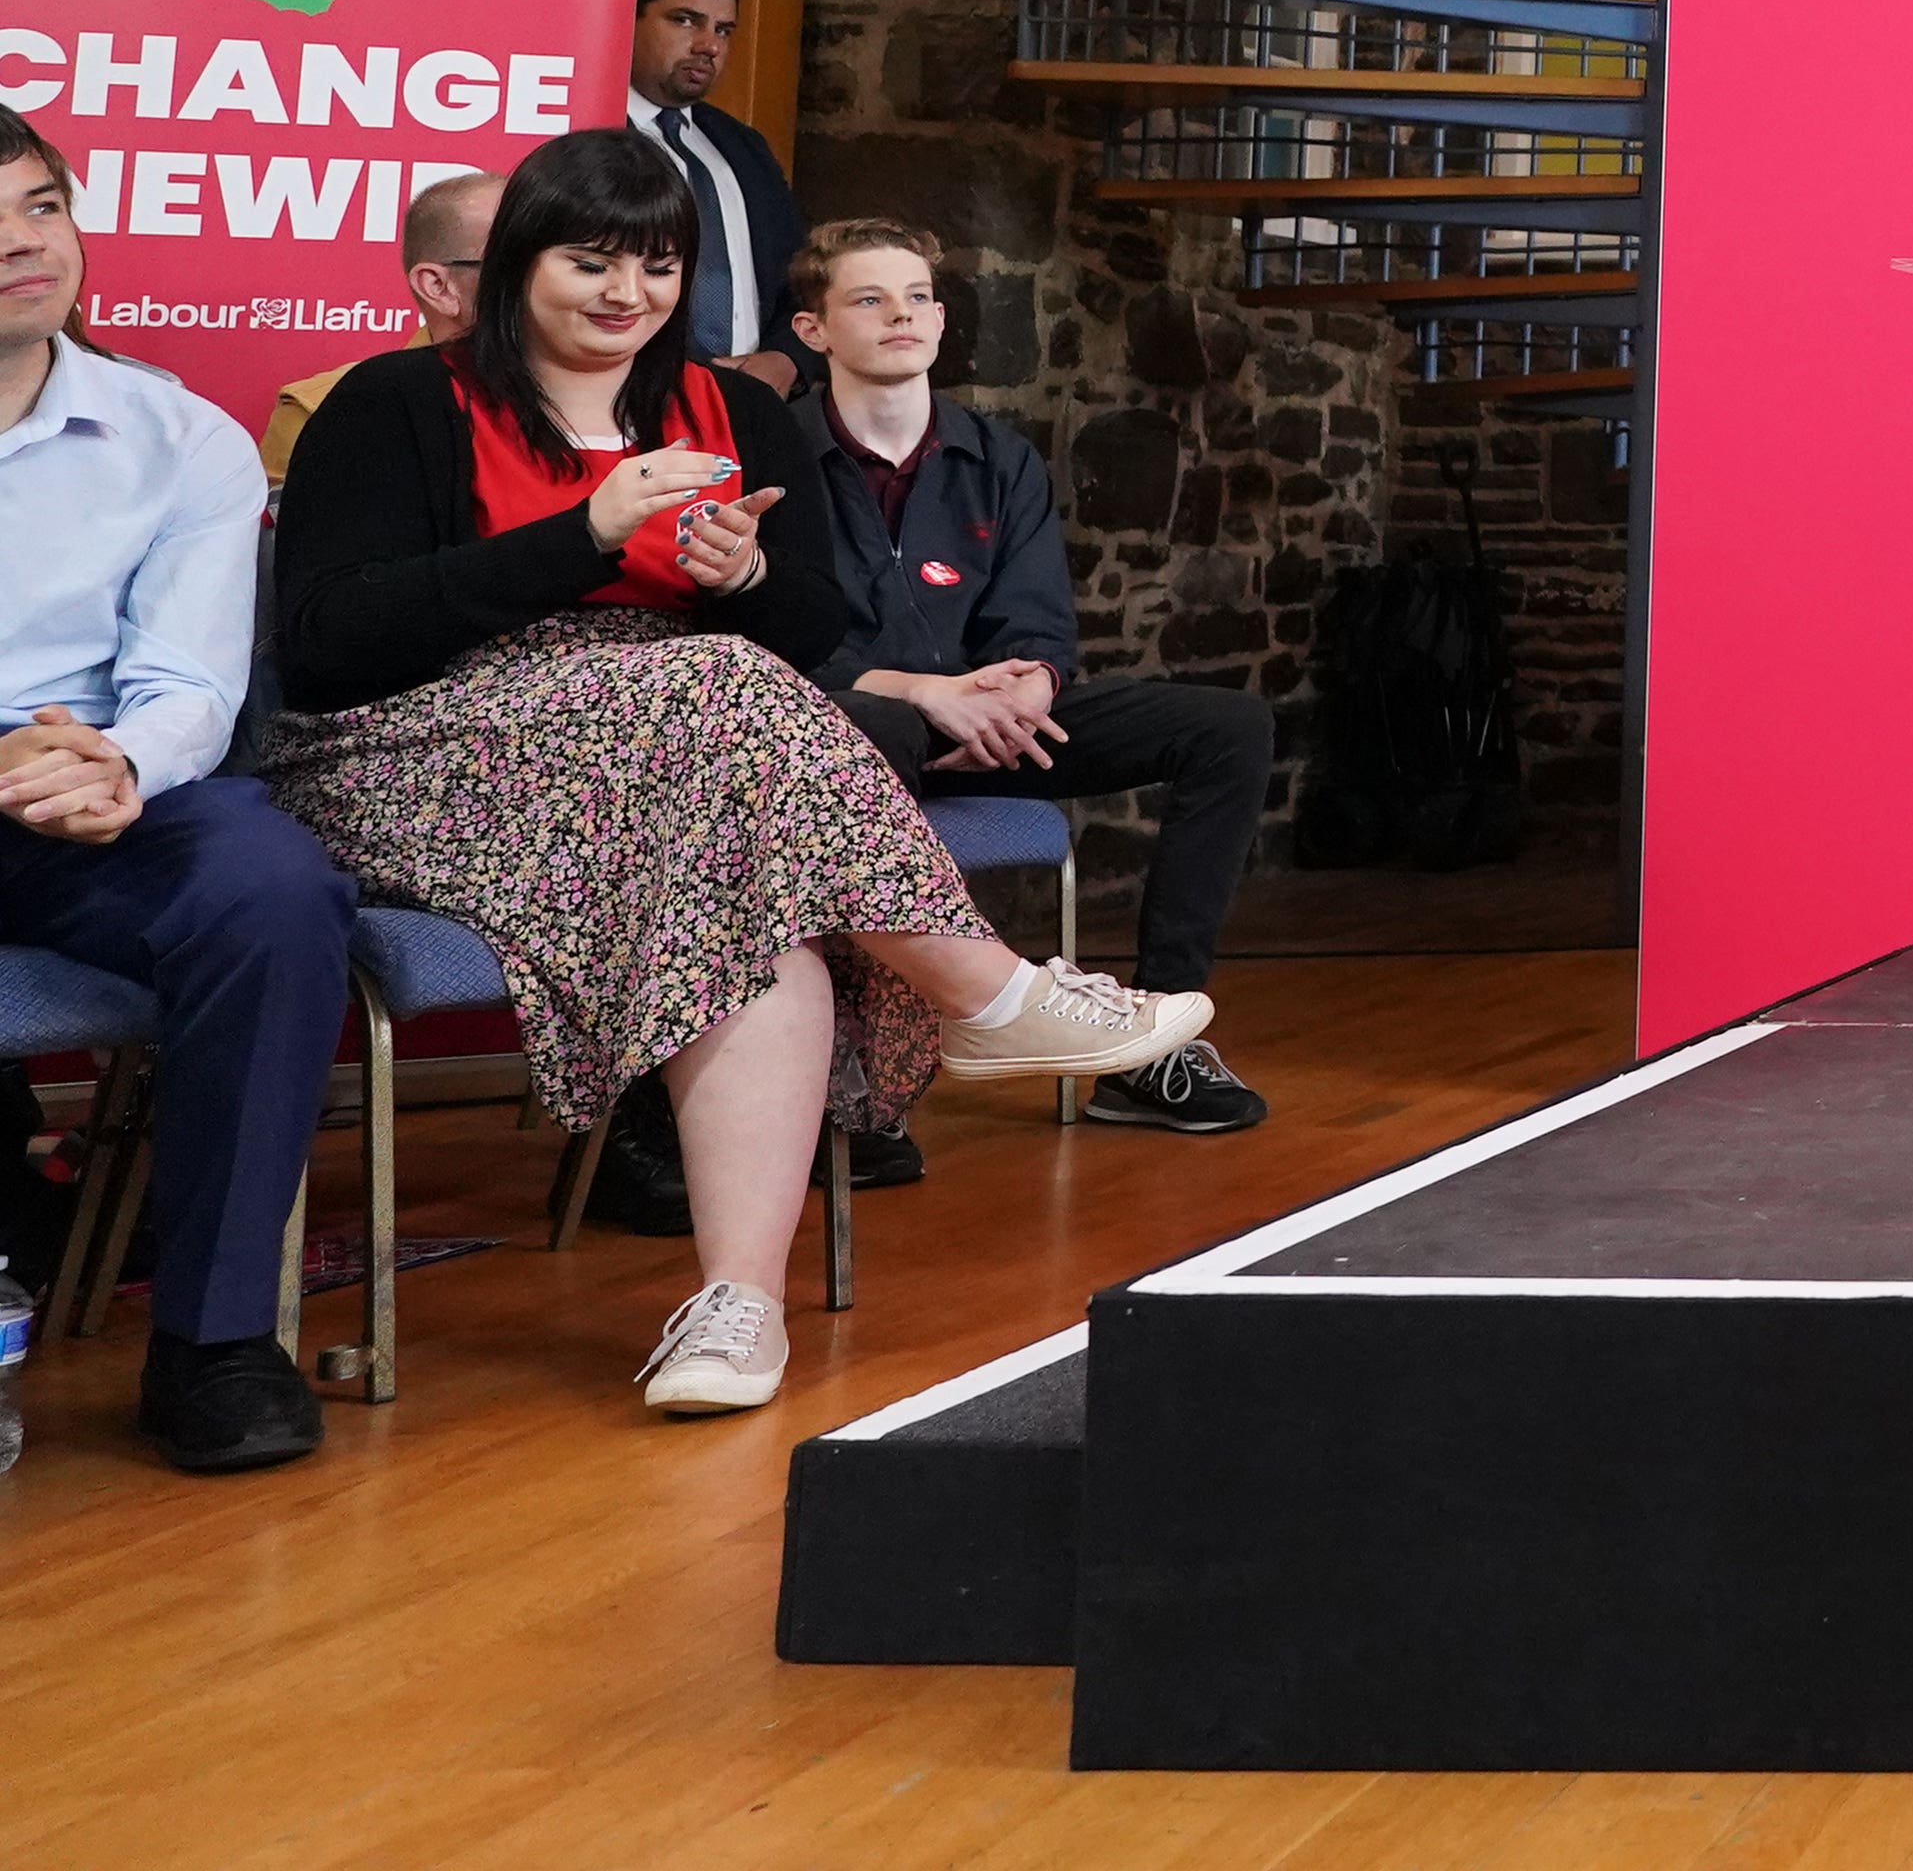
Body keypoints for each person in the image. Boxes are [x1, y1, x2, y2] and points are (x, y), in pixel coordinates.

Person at [265, 133, 1211, 1414]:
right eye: (587, 261)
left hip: (681, 752)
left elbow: (813, 622)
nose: (624, 293)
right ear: (514, 267)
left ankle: (735, 1309)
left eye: (656, 266)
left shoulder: (740, 408)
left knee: (746, 878)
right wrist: (582, 537)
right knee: (721, 693)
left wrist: (745, 579)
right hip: (419, 749)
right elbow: (328, 650)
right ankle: (984, 991)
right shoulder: (393, 403)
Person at [0, 109, 350, 1474]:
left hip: (94, 780)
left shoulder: (177, 433)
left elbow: (193, 674)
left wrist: (123, 766)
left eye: (38, 206)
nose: (20, 244)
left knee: (270, 890)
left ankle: (213, 1343)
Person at [781, 219, 1275, 1135]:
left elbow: (1038, 612)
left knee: (1228, 727)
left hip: (993, 728)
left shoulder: (996, 456)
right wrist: (920, 693)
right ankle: (850, 1088)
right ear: (814, 331)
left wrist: (1030, 688)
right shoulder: (775, 458)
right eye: (869, 299)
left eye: (919, 297)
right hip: (851, 735)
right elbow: (771, 637)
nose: (904, 316)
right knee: (876, 728)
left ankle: (1151, 1048)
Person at [628, 0, 801, 400]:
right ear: (628, 15)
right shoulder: (583, 132)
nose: (709, 46)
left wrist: (786, 359)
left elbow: (800, 276)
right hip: (631, 401)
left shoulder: (742, 147)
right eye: (685, 20)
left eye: (724, 30)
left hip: (753, 402)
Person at [265, 168, 499, 479]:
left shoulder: (581, 407)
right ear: (439, 287)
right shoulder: (326, 412)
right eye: (519, 262)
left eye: (575, 261)